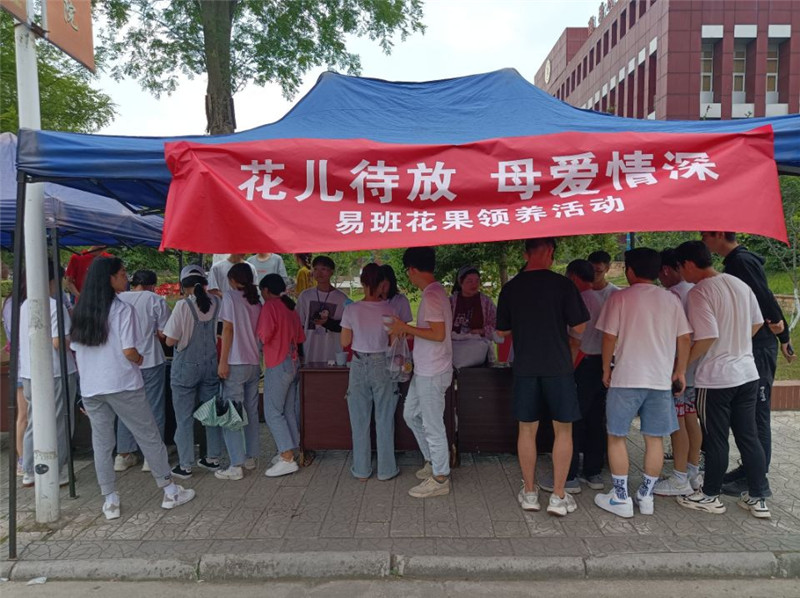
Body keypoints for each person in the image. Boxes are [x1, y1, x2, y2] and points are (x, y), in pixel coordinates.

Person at [70, 257, 195, 519]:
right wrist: (139, 359)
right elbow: (129, 350)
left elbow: (76, 349)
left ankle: (110, 500)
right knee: (149, 435)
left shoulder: (81, 310)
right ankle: (169, 490)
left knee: (102, 444)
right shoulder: (121, 309)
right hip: (122, 383)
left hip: (92, 388)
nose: (126, 277)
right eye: (122, 273)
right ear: (109, 278)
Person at [675, 241, 772, 519]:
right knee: (748, 435)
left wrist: (681, 367)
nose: (682, 274)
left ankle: (709, 495)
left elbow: (707, 336)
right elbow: (757, 323)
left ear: (688, 264)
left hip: (717, 378)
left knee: (715, 438)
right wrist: (736, 343)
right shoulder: (739, 284)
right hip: (747, 373)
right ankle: (758, 497)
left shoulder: (700, 292)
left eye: (681, 268)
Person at [593, 248, 691, 519]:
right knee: (654, 438)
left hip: (626, 378)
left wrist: (605, 368)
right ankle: (646, 496)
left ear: (630, 271)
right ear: (658, 270)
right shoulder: (671, 299)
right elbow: (684, 338)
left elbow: (609, 337)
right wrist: (680, 371)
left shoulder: (619, 298)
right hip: (660, 380)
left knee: (616, 436)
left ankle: (620, 497)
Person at [496, 238, 589, 517]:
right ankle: (558, 496)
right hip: (558, 367)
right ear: (549, 252)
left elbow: (502, 331)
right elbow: (580, 327)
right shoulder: (563, 285)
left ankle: (529, 493)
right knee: (563, 430)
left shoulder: (511, 288)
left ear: (526, 254)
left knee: (527, 430)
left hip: (525, 367)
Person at [701, 231, 795, 497]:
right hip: (753, 345)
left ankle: (757, 479)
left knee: (757, 415)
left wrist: (784, 337)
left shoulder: (741, 262)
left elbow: (765, 298)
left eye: (705, 234)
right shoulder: (736, 262)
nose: (702, 239)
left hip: (759, 345)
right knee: (748, 418)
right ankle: (749, 471)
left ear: (719, 234)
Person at [388, 247, 453, 498]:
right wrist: (409, 329)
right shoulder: (433, 292)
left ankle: (440, 477)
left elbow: (438, 334)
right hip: (425, 368)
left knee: (432, 424)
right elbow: (434, 330)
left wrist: (406, 328)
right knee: (411, 414)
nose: (408, 275)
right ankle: (433, 461)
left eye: (407, 271)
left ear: (412, 270)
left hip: (433, 370)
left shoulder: (433, 295)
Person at [163, 265, 225, 478]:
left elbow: (170, 340)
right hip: (211, 365)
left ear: (183, 285)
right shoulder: (216, 302)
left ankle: (185, 464)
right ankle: (213, 458)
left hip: (185, 369)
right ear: (205, 283)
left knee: (184, 417)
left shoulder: (183, 306)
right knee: (211, 414)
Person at [18, 262, 77, 488]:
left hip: (29, 372)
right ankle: (57, 470)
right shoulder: (54, 306)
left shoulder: (26, 304)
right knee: (60, 422)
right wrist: (74, 340)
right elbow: (58, 342)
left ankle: (29, 470)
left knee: (35, 421)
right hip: (56, 372)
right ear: (51, 281)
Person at [551, 258, 607, 493]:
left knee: (572, 420)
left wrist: (567, 369)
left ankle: (570, 474)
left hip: (581, 363)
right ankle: (593, 472)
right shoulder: (599, 299)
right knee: (596, 420)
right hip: (599, 363)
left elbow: (575, 341)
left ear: (573, 276)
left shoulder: (580, 299)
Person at [341, 264, 400, 482]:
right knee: (385, 418)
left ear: (363, 283)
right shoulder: (390, 310)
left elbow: (345, 341)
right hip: (382, 363)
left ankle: (362, 470)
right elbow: (394, 342)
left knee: (359, 419)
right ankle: (386, 470)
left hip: (358, 363)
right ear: (382, 284)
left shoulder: (351, 310)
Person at [653, 249, 703, 496]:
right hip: (694, 367)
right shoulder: (695, 290)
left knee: (677, 422)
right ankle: (693, 471)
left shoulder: (672, 295)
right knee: (691, 418)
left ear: (665, 269)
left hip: (676, 368)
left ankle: (679, 476)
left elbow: (673, 335)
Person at [115, 270, 171, 473]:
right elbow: (164, 333)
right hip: (151, 359)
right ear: (152, 285)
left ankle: (123, 455)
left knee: (126, 408)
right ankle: (151, 456)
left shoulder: (118, 299)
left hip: (123, 362)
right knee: (154, 407)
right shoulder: (156, 300)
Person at [215, 263, 262, 480]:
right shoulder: (256, 300)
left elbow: (227, 329)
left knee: (231, 414)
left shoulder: (230, 297)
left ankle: (236, 464)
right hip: (253, 362)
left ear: (233, 280)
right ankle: (251, 457)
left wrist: (222, 361)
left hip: (235, 361)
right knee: (251, 412)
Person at [257, 274, 305, 478]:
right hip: (293, 362)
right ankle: (291, 450)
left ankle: (286, 457)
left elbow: (264, 335)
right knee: (288, 411)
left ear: (266, 290)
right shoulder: (290, 307)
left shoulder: (270, 306)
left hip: (277, 363)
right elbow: (301, 337)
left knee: (273, 412)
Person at [296, 256, 348, 363]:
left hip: (333, 352)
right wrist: (299, 351)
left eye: (323, 269)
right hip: (309, 350)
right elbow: (299, 326)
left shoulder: (342, 298)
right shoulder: (305, 296)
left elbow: (346, 328)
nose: (319, 273)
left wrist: (328, 323)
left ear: (331, 272)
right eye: (315, 269)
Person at [449, 265, 498, 367]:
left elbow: (497, 324)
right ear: (460, 282)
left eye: (477, 281)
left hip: (478, 353)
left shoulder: (486, 302)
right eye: (470, 281)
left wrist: (481, 331)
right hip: (454, 351)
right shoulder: (450, 302)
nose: (474, 284)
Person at [2, 283, 27, 476]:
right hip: (22, 364)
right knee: (24, 415)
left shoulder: (14, 302)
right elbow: (17, 336)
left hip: (25, 363)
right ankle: (22, 460)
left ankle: (25, 459)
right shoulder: (14, 304)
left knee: (26, 415)